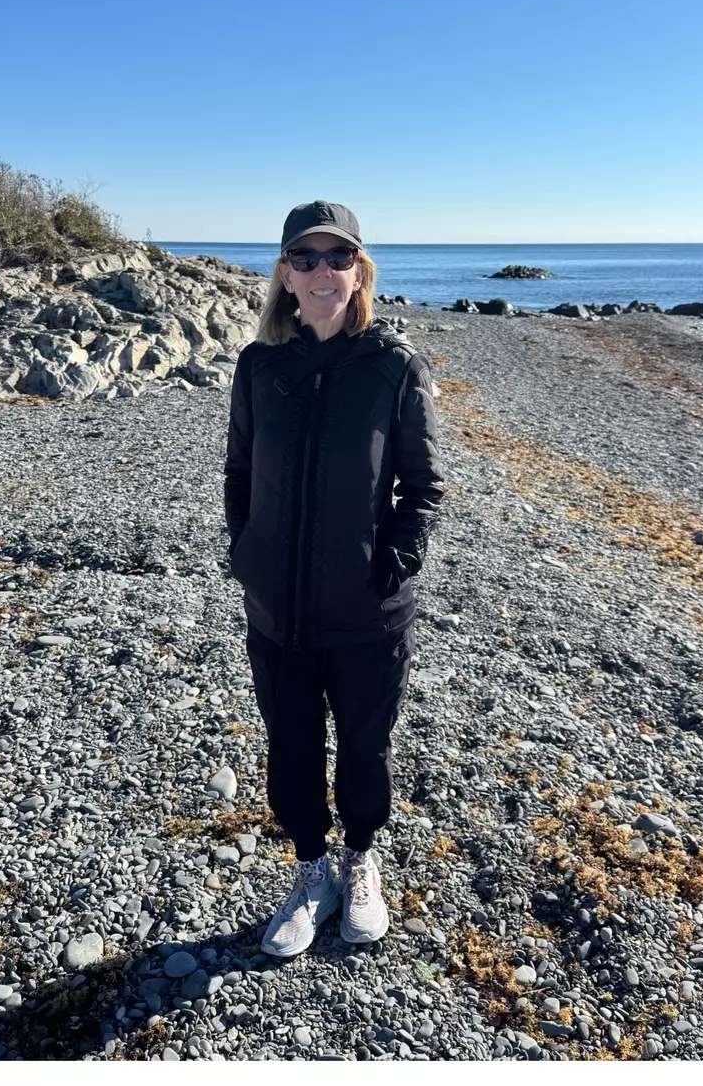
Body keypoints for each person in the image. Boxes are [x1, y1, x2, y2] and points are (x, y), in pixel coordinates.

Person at [221, 200, 445, 957]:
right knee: (288, 744)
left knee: (364, 746)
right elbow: (240, 472)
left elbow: (424, 487)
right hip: (275, 606)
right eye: (306, 258)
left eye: (337, 257)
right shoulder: (260, 367)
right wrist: (246, 550)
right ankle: (311, 869)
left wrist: (390, 567)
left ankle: (361, 861)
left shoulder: (392, 366)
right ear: (284, 275)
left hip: (366, 611)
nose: (322, 271)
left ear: (360, 272)